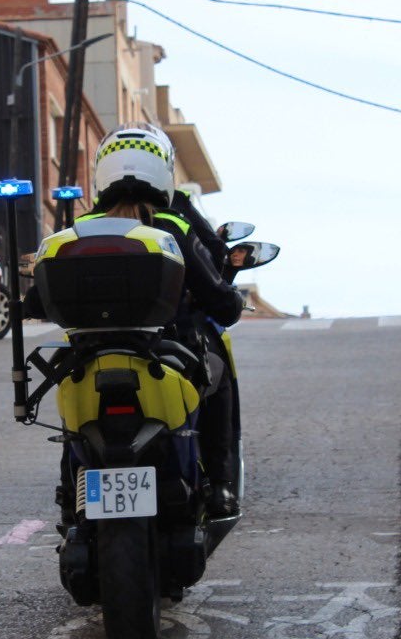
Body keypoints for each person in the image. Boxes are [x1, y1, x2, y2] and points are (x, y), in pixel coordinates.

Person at [33, 123, 246, 519]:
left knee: (74, 411)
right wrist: (230, 297)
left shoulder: (76, 233)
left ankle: (69, 493)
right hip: (167, 354)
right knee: (220, 379)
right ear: (163, 171)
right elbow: (222, 304)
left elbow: (35, 301)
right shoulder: (176, 228)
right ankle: (221, 486)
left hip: (89, 356)